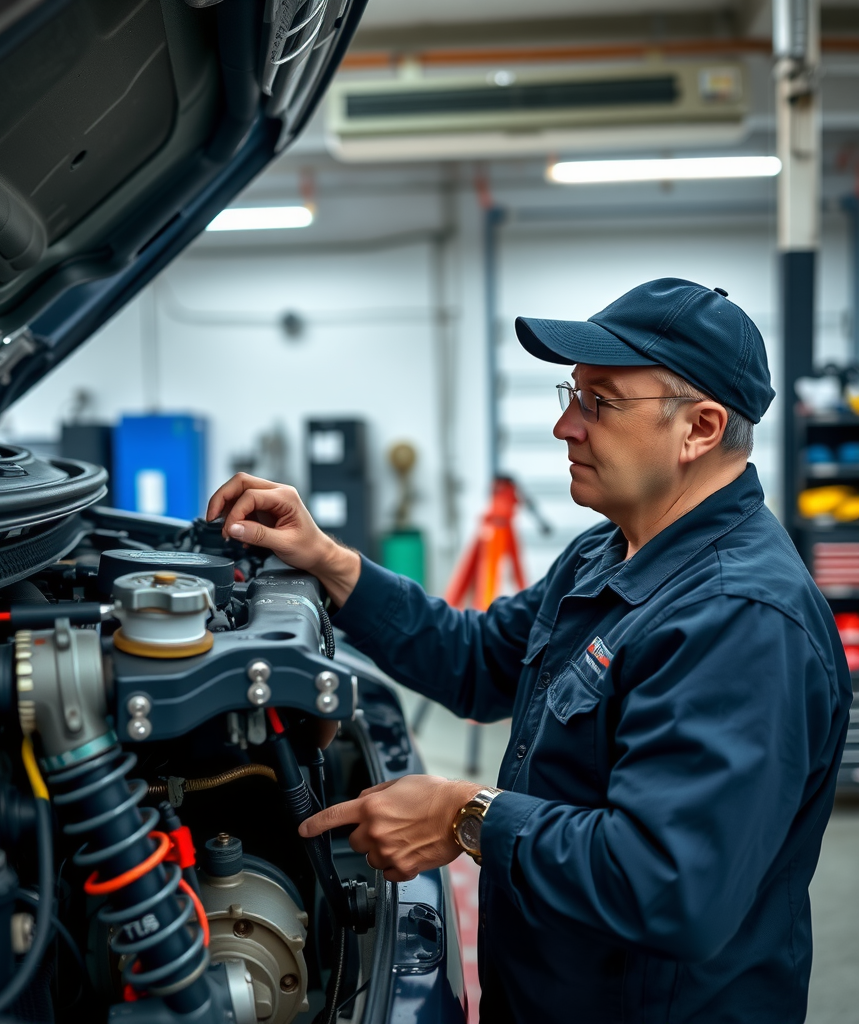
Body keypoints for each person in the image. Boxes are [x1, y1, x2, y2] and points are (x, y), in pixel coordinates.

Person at [205, 279, 852, 1024]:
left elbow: (669, 885)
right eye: (569, 395)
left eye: (600, 403)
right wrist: (328, 561)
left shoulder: (740, 621)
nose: (566, 427)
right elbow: (479, 661)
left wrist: (465, 815)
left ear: (700, 428)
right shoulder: (605, 554)